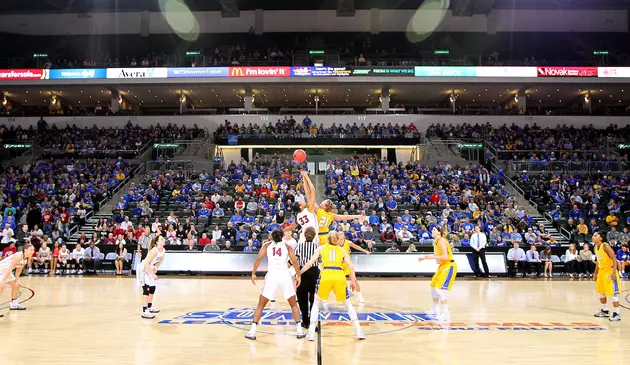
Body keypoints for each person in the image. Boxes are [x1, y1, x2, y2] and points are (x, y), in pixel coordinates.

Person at [300, 231, 365, 341]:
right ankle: (359, 330)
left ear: (327, 239)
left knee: (316, 303)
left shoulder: (321, 248)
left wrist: (299, 273)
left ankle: (311, 331)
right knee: (348, 305)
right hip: (339, 275)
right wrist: (353, 281)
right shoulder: (342, 250)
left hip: (326, 275)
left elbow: (310, 263)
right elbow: (351, 266)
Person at [244, 229, 304, 340]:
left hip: (272, 276)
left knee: (261, 305)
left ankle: (252, 331)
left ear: (272, 236)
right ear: (282, 236)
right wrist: (298, 275)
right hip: (284, 275)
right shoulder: (287, 247)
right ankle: (299, 331)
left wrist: (253, 273)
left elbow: (258, 259)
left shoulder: (267, 245)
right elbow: (295, 262)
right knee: (293, 304)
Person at [418, 226, 457, 322]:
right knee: (432, 286)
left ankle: (446, 313)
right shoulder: (435, 241)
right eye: (432, 229)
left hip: (449, 265)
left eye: (435, 229)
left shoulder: (442, 241)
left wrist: (427, 257)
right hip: (442, 266)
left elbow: (445, 257)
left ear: (439, 232)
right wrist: (426, 257)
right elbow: (437, 257)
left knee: (438, 289)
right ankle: (435, 309)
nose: (432, 230)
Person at [293, 227, 319, 331]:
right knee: (314, 299)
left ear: (304, 235)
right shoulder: (317, 247)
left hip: (302, 272)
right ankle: (312, 323)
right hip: (314, 272)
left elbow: (294, 260)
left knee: (301, 297)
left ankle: (305, 321)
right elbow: (320, 260)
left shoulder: (299, 246)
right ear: (314, 236)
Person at [592, 232, 621, 321]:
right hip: (601, 271)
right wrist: (595, 273)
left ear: (601, 238)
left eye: (596, 235)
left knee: (613, 293)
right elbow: (598, 261)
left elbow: (614, 259)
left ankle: (616, 313)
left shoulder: (605, 246)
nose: (593, 236)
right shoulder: (595, 247)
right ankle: (605, 311)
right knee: (601, 292)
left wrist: (614, 273)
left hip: (609, 270)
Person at [0, 243, 35, 315]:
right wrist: (3, 280)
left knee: (16, 286)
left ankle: (14, 304)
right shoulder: (19, 255)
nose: (33, 251)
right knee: (1, 287)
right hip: (1, 270)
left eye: (33, 250)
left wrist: (17, 279)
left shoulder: (26, 258)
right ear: (25, 250)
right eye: (31, 250)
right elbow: (10, 268)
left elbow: (19, 269)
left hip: (7, 272)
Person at [136, 236, 166, 319]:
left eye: (163, 239)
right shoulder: (154, 251)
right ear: (157, 242)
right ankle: (144, 311)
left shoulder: (163, 250)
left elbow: (161, 260)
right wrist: (153, 274)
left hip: (150, 268)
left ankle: (149, 307)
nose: (163, 240)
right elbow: (146, 263)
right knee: (146, 289)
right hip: (143, 269)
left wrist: (156, 267)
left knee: (152, 288)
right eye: (161, 239)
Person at [338, 232, 370, 303]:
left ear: (344, 236)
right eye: (339, 234)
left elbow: (356, 247)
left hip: (348, 264)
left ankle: (359, 296)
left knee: (354, 280)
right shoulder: (335, 243)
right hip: (339, 265)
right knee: (340, 281)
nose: (340, 235)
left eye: (341, 234)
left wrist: (365, 251)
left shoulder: (348, 242)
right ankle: (346, 291)